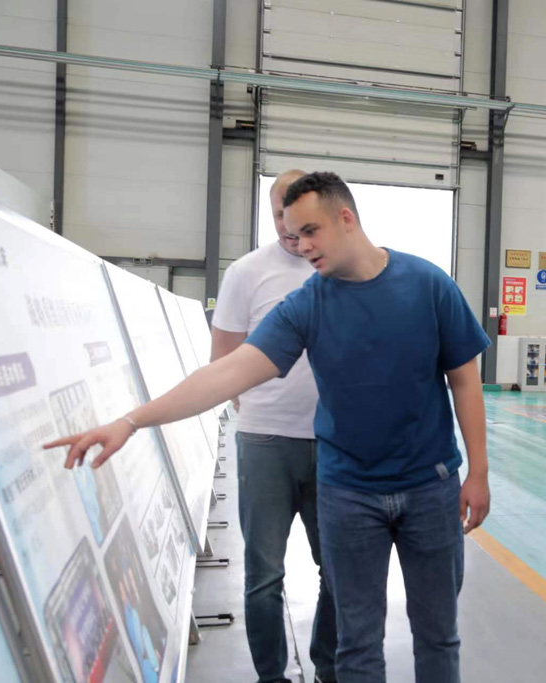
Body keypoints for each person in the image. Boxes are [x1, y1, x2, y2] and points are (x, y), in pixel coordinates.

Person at [46, 171, 491, 683]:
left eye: (311, 231)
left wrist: (477, 473)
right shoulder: (308, 304)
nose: (301, 246)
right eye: (294, 234)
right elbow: (226, 373)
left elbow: (464, 380)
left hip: (430, 487)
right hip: (349, 494)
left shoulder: (429, 285)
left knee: (438, 636)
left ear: (346, 218)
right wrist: (132, 420)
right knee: (357, 645)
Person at [210, 169, 338, 683]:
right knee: (264, 575)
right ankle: (271, 676)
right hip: (264, 442)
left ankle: (328, 667)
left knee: (338, 569)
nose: (288, 227)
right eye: (278, 215)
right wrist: (257, 408)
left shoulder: (335, 268)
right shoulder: (247, 272)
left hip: (333, 443)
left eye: (298, 216)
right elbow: (223, 359)